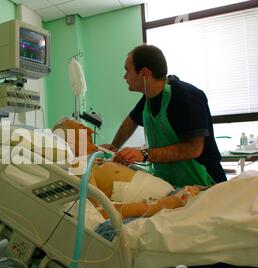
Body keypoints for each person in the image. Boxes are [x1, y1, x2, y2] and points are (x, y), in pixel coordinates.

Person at [103, 44, 226, 188]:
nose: (124, 76)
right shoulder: (148, 99)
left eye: (127, 70)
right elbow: (130, 122)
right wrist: (113, 147)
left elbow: (194, 148)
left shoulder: (187, 96)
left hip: (206, 185)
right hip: (174, 186)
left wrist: (144, 154)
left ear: (144, 73)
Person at [53, 118, 202, 220]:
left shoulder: (98, 160)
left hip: (176, 195)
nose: (90, 131)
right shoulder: (78, 166)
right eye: (82, 128)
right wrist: (163, 204)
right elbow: (102, 212)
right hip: (165, 207)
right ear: (68, 141)